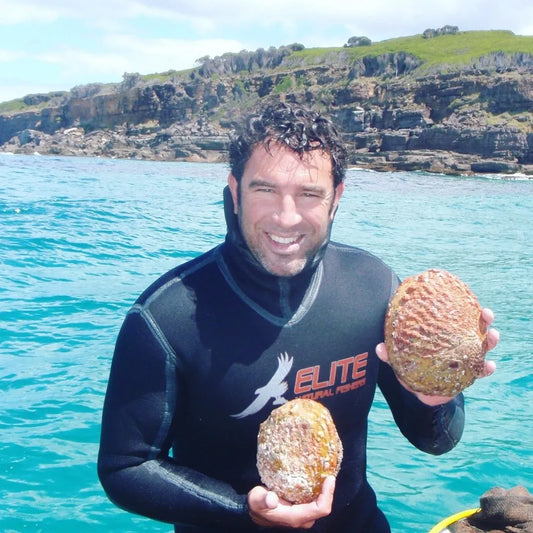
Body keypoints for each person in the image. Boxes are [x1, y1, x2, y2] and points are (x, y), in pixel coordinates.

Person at [97, 101, 499, 532]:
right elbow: (125, 466)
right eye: (264, 190)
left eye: (309, 194)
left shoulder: (373, 287)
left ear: (336, 198)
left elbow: (436, 440)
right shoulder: (166, 316)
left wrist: (432, 398)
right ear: (234, 191)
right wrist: (242, 509)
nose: (286, 217)